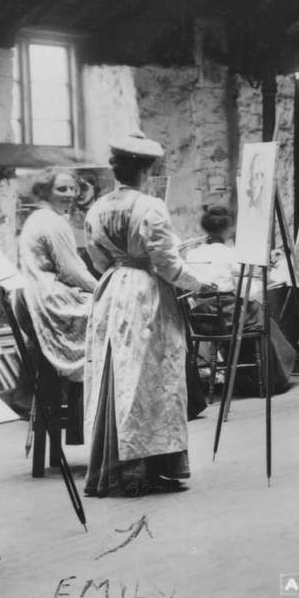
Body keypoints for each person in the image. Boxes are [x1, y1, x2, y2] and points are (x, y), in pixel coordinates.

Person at [82, 132, 214, 498]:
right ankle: (146, 466)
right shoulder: (150, 206)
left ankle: (130, 465)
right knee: (150, 379)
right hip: (145, 294)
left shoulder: (95, 209)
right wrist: (197, 282)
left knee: (119, 377)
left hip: (111, 292)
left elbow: (97, 260)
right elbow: (167, 263)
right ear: (147, 168)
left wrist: (123, 264)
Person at [185, 205, 296, 395]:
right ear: (227, 229)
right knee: (262, 317)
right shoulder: (227, 253)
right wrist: (270, 262)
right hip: (225, 312)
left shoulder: (192, 253)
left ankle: (246, 378)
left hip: (203, 315)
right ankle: (273, 377)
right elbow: (251, 270)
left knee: (251, 309)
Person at [17, 170, 97, 385]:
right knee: (109, 312)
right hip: (48, 297)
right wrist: (102, 289)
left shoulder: (37, 217)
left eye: (73, 189)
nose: (70, 194)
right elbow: (71, 271)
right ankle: (92, 391)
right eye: (61, 189)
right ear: (45, 192)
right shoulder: (53, 221)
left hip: (33, 294)